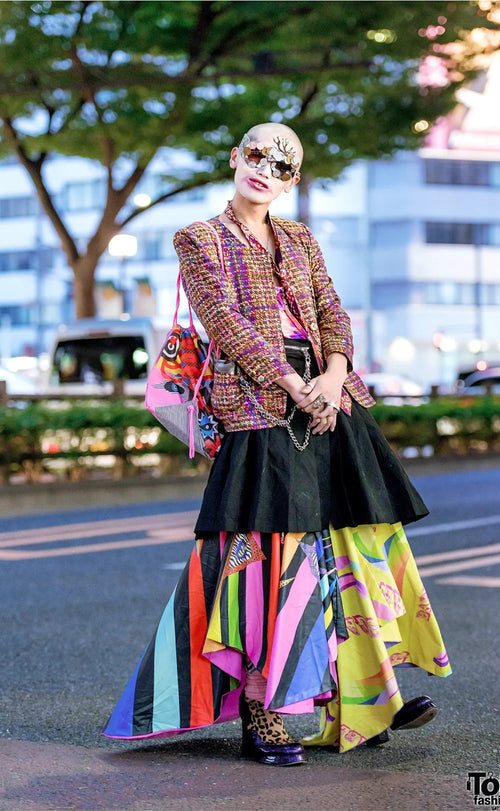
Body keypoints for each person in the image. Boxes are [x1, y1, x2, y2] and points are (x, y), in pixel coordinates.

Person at [104, 122, 451, 766]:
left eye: (281, 165)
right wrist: (295, 384)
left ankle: (370, 694)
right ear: (235, 158)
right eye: (257, 155)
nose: (265, 169)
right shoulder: (198, 238)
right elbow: (225, 323)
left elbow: (332, 312)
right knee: (264, 563)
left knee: (354, 545)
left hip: (330, 399)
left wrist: (334, 376)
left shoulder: (299, 238)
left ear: (293, 182)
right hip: (261, 407)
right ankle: (262, 712)